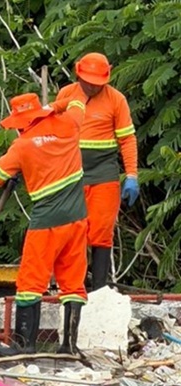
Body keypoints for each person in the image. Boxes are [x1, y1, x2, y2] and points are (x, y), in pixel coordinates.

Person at [0, 92, 88, 356]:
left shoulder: (22, 145)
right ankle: (69, 346)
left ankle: (24, 345)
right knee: (73, 283)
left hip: (46, 223)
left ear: (21, 122)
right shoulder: (69, 124)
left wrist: (17, 171)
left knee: (31, 281)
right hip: (77, 217)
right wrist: (54, 107)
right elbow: (78, 101)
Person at [57, 53, 138, 290]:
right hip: (71, 173)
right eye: (87, 81)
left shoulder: (116, 99)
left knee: (101, 231)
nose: (92, 86)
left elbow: (127, 139)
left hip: (104, 173)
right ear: (77, 73)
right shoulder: (66, 95)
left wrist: (131, 175)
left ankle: (100, 290)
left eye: (97, 82)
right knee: (74, 232)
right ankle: (76, 289)